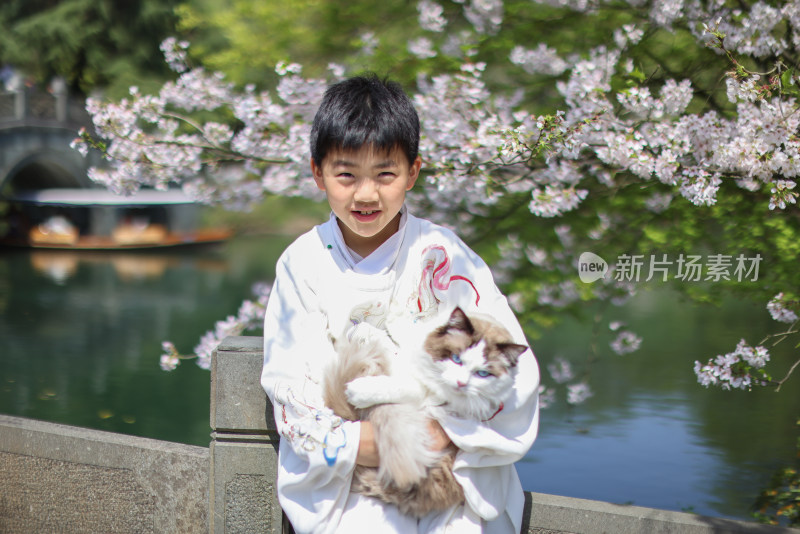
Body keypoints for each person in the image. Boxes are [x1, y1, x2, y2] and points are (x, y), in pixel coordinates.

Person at [260, 74, 540, 534]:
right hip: (353, 475)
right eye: (346, 174)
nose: (366, 194)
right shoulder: (301, 263)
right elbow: (291, 385)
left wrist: (444, 435)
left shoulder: (444, 254)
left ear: (413, 171)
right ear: (318, 173)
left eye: (385, 174)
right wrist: (371, 445)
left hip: (448, 463)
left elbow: (515, 364)